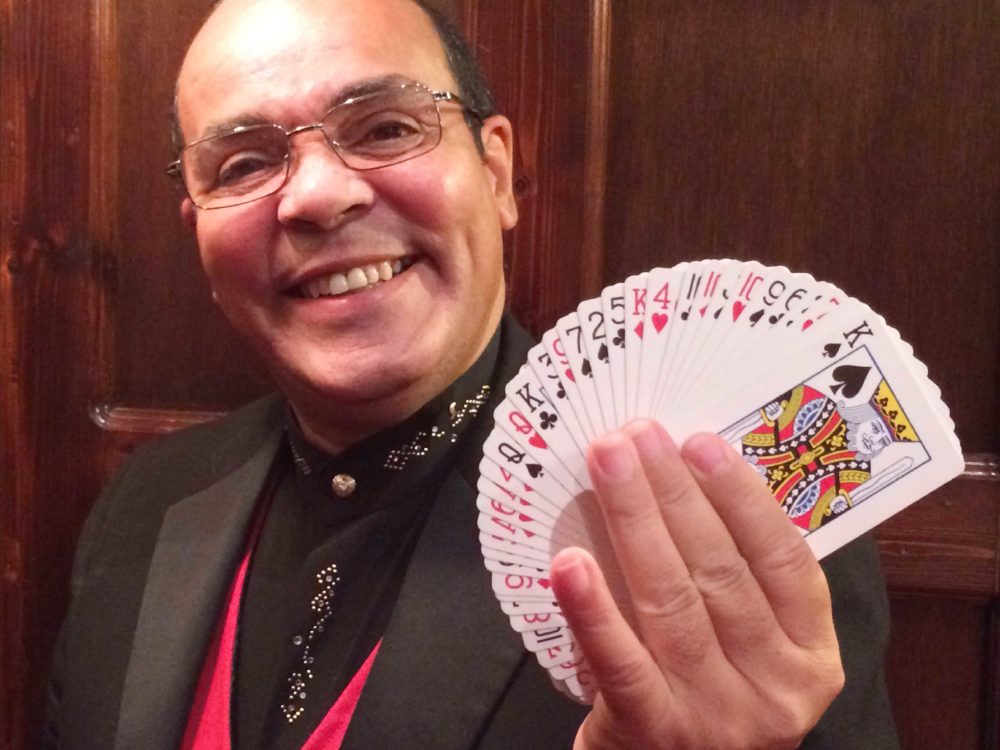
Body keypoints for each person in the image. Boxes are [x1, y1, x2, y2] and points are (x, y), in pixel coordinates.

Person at [44, 0, 900, 747]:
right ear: (197, 232)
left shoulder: (743, 521)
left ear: (495, 173)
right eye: (244, 164)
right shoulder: (142, 505)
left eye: (384, 127)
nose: (314, 196)